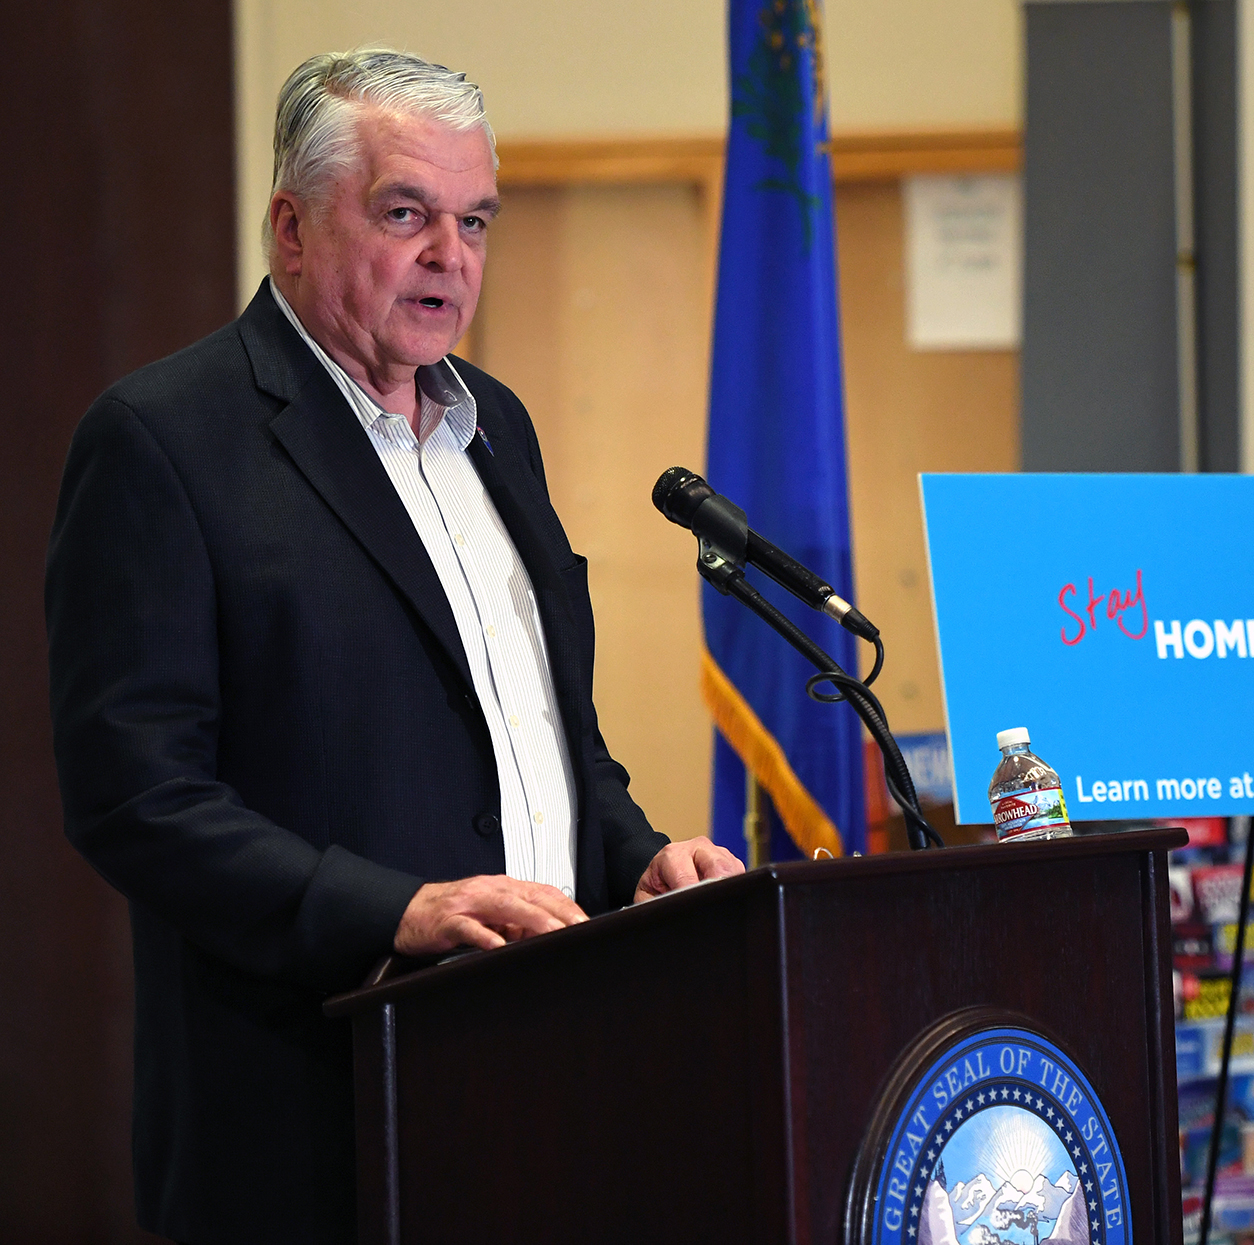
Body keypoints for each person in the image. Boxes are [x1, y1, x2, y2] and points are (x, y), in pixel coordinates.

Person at [45, 48, 742, 1244]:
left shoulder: (496, 426)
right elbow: (135, 797)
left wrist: (633, 859)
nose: (450, 257)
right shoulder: (163, 441)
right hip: (308, 1112)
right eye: (405, 213)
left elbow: (545, 738)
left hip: (544, 1080)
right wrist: (395, 911)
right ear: (292, 227)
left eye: (474, 220)